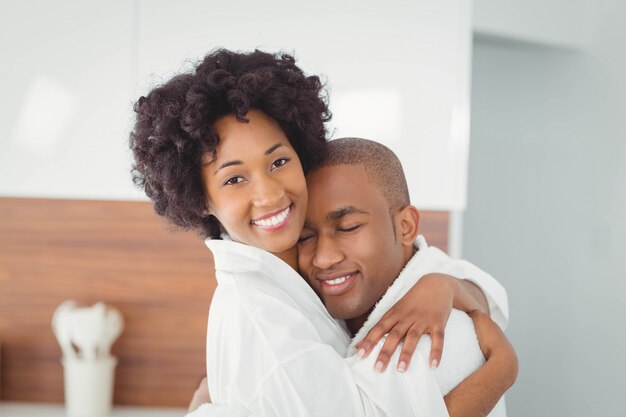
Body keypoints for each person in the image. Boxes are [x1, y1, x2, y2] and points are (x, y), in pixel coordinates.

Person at [130, 49, 512, 416]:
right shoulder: (265, 318)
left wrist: (448, 285)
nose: (269, 194)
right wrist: (501, 373)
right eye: (234, 178)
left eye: (278, 161)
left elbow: (483, 291)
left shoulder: (299, 269)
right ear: (200, 199)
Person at [296, 137, 517, 416]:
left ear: (405, 227)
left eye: (348, 227)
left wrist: (504, 368)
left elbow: (488, 296)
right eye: (304, 236)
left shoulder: (434, 340)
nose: (323, 257)